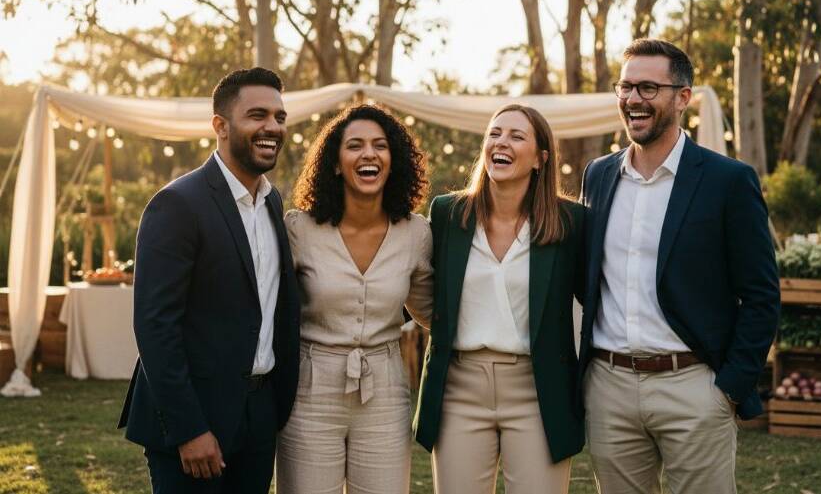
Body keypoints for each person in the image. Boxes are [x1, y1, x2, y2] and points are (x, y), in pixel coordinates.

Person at [577, 38, 780, 493]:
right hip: (609, 388)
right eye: (626, 87)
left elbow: (761, 295)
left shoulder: (729, 180)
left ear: (682, 97)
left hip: (694, 387)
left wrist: (729, 387)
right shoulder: (598, 175)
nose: (633, 99)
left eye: (648, 88)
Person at [118, 68, 301, 494]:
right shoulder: (177, 204)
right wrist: (189, 428)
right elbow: (155, 326)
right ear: (220, 125)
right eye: (257, 115)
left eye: (279, 117)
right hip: (196, 418)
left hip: (259, 414)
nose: (272, 127)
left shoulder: (272, 202)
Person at [414, 104, 585, 494]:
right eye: (494, 133)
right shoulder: (447, 214)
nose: (501, 142)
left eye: (516, 136)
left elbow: (595, 299)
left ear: (541, 159)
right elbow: (420, 286)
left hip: (538, 390)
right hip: (460, 388)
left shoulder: (571, 222)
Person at [276, 104, 433, 494]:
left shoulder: (416, 233)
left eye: (380, 145)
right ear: (334, 163)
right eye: (355, 145)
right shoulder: (299, 229)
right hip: (309, 392)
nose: (369, 154)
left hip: (386, 390)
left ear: (393, 162)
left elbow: (431, 311)